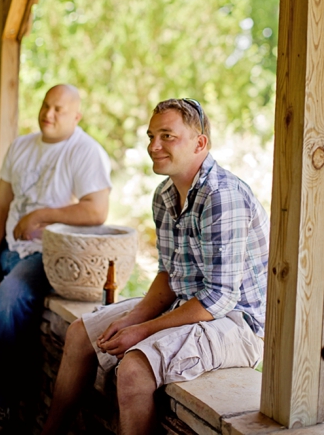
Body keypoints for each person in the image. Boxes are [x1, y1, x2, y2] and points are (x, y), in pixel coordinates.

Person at [41, 98, 269, 435]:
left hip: (238, 322)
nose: (153, 146)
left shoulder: (222, 196)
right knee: (81, 333)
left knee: (134, 369)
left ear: (200, 143)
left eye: (167, 136)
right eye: (151, 136)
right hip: (190, 304)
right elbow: (169, 275)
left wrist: (143, 330)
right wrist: (130, 319)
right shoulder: (165, 195)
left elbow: (219, 298)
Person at [0, 84, 113, 435]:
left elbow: (98, 210)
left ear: (76, 116)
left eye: (59, 109)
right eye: (46, 105)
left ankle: (2, 406)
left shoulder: (85, 152)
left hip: (49, 257)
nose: (48, 114)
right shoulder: (21, 146)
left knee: (11, 296)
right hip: (6, 248)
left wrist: (42, 216)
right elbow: (0, 205)